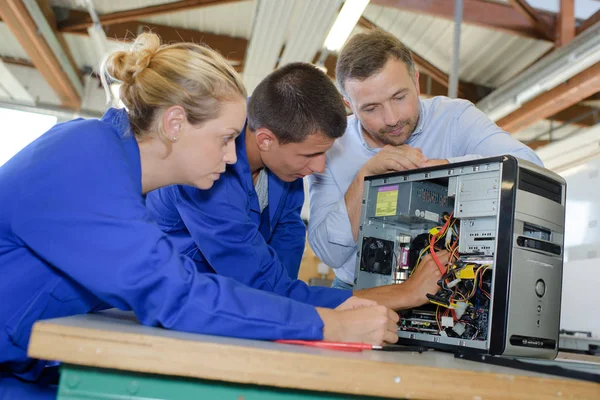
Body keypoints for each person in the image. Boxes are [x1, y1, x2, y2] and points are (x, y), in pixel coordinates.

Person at [0, 34, 399, 399]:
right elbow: (176, 294)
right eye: (225, 138)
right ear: (174, 123)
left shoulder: (109, 162)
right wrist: (329, 325)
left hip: (28, 362)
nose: (231, 158)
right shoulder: (83, 163)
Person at [146, 62, 446, 312]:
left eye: (323, 153)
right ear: (266, 140)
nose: (318, 168)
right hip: (177, 309)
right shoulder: (209, 178)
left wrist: (288, 307)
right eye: (309, 154)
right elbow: (265, 291)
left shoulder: (282, 167)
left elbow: (286, 244)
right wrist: (404, 294)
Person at [307, 30, 544, 290]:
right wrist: (366, 177)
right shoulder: (331, 148)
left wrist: (446, 170)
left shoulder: (455, 118)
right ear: (348, 103)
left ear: (416, 81)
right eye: (371, 108)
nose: (391, 118)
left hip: (450, 289)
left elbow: (530, 169)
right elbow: (330, 254)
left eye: (399, 97)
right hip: (360, 291)